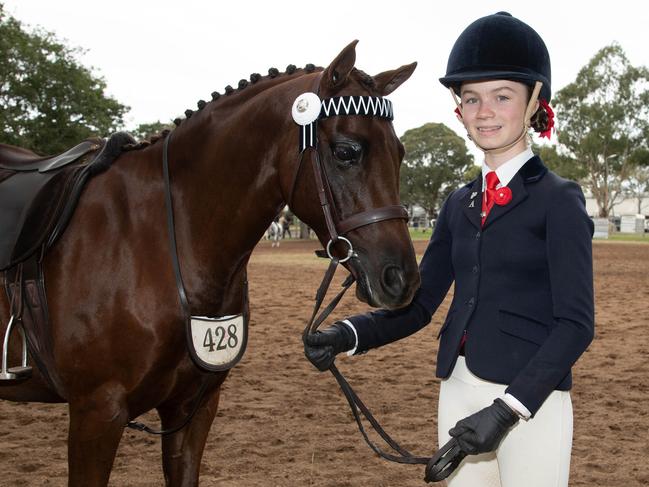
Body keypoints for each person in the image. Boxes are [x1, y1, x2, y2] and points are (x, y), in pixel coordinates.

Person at [304, 12, 594, 487]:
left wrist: (507, 410)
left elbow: (576, 325)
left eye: (502, 97)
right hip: (459, 391)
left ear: (534, 100)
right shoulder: (459, 201)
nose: (484, 111)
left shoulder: (558, 199)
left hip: (531, 402)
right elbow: (419, 305)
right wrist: (348, 335)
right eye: (472, 98)